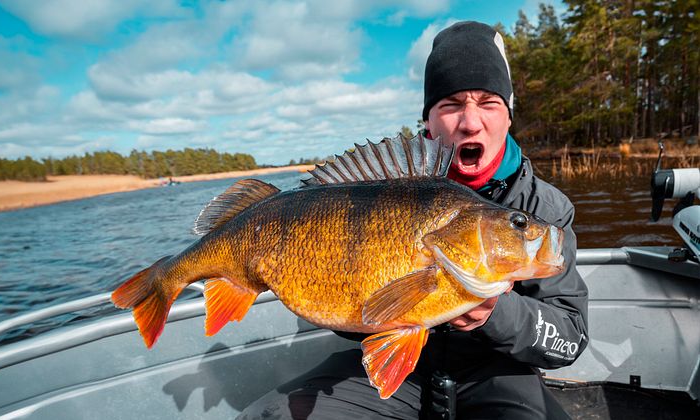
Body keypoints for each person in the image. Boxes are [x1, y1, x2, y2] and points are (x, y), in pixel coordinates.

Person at [239, 21, 588, 419]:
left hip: (498, 370)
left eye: (489, 103)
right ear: (429, 121)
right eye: (451, 104)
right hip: (392, 366)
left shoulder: (544, 209)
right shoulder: (383, 185)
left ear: (508, 116)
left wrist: (494, 313)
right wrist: (310, 274)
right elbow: (355, 310)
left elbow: (569, 338)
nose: (470, 122)